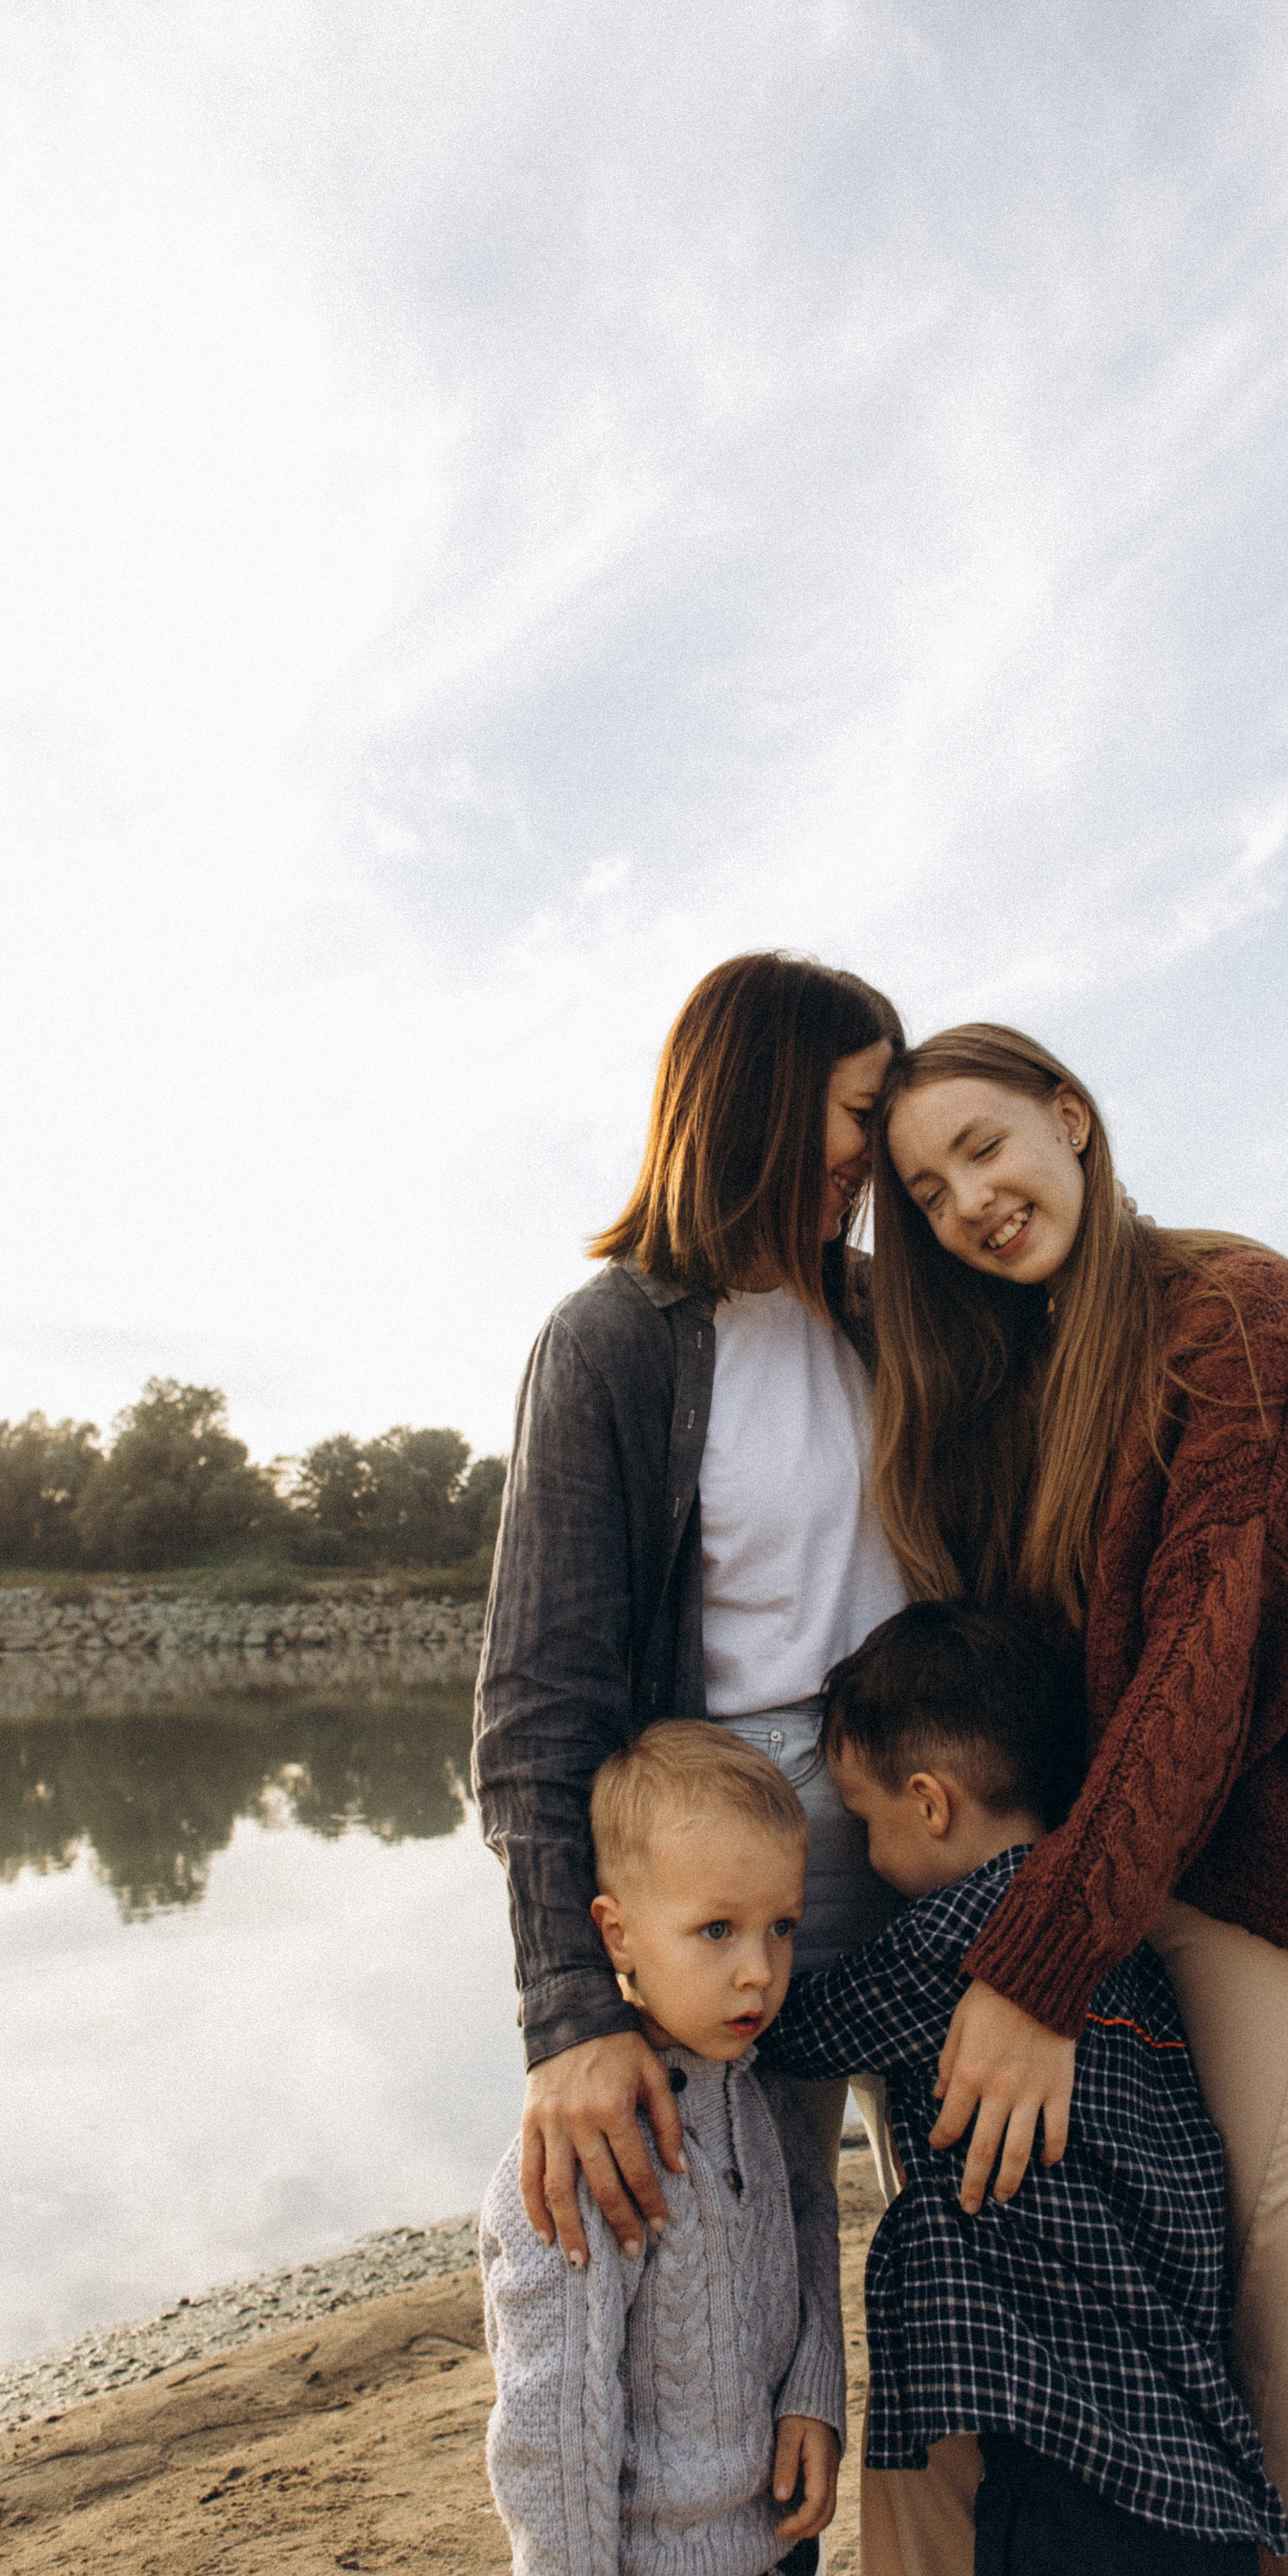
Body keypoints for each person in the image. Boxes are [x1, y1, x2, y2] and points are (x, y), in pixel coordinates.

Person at [867, 1024, 1288, 2576]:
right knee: (1079, 2403)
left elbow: (1213, 1658)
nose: (969, 1202)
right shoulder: (1001, 1394)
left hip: (1284, 1902)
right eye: (923, 1190)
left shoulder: (1227, 1302)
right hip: (1104, 1913)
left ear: (1071, 1117)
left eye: (986, 1148)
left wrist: (1035, 1967)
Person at [473, 950, 907, 2269]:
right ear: (762, 1101)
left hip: (932, 1838)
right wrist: (568, 2014)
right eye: (859, 1115)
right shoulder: (612, 1341)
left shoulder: (894, 1317)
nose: (876, 1158)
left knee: (979, 2252)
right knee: (739, 2290)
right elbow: (537, 1705)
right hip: (730, 1878)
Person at [759, 1602, 1287, 2576]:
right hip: (1188, 2460)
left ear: (932, 1804)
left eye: (865, 1822)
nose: (862, 1857)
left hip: (1073, 2457)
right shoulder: (1116, 1946)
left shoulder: (961, 1933)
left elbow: (795, 2033)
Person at [480, 1723, 845, 2576]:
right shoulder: (589, 2155)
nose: (757, 1969)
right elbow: (550, 2440)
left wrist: (813, 2390)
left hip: (776, 2568)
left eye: (781, 1927)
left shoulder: (758, 2089)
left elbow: (808, 2219)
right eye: (715, 1930)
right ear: (619, 1936)